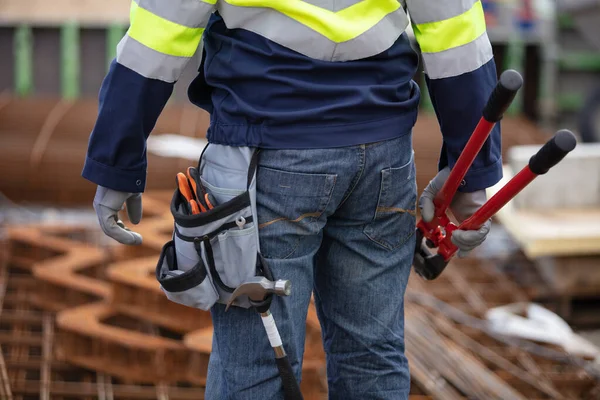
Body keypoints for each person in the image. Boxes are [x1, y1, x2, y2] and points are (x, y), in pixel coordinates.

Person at [83, 1, 500, 399]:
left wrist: (116, 160)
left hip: (265, 153)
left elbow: (160, 29)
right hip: (381, 158)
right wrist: (472, 173)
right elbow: (453, 28)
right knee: (372, 357)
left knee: (256, 367)